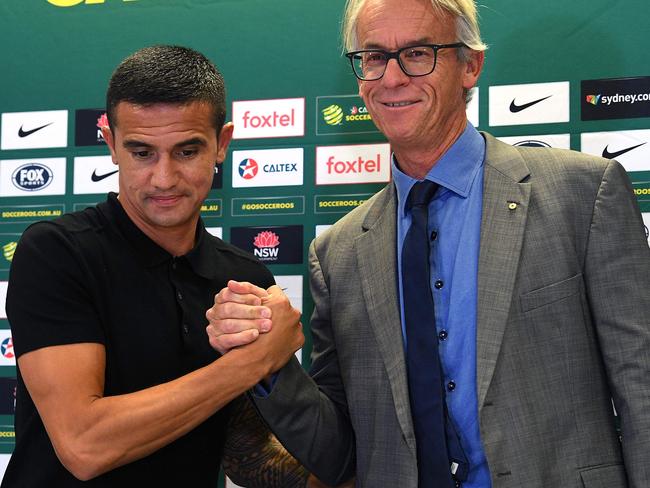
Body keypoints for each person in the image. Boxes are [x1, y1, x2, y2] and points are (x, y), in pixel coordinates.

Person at [206, 0, 650, 487]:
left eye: (418, 53)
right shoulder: (338, 254)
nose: (392, 78)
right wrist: (271, 366)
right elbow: (339, 453)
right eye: (374, 57)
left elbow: (641, 385)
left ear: (470, 65)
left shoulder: (584, 193)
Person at [3, 45, 311, 487]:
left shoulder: (245, 277)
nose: (164, 178)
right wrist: (254, 361)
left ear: (222, 145)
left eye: (187, 151)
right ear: (110, 144)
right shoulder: (58, 252)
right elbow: (85, 446)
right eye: (142, 152)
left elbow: (248, 458)